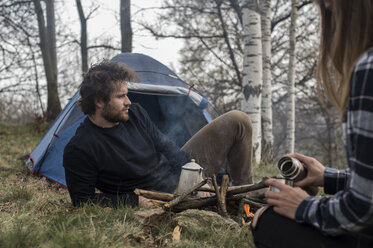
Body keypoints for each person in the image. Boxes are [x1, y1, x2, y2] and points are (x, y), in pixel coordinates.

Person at [251, 0, 373, 247]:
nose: (327, 9)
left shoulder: (368, 69)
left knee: (269, 223)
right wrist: (329, 177)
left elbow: (361, 209)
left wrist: (302, 206)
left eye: (330, 5)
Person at [63, 60, 253, 207]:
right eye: (121, 96)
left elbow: (166, 146)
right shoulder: (80, 148)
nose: (128, 101)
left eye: (126, 94)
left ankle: (247, 199)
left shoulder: (135, 113)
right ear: (99, 102)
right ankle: (232, 199)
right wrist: (132, 201)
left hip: (181, 175)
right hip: (163, 197)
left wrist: (196, 176)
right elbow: (82, 200)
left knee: (238, 120)